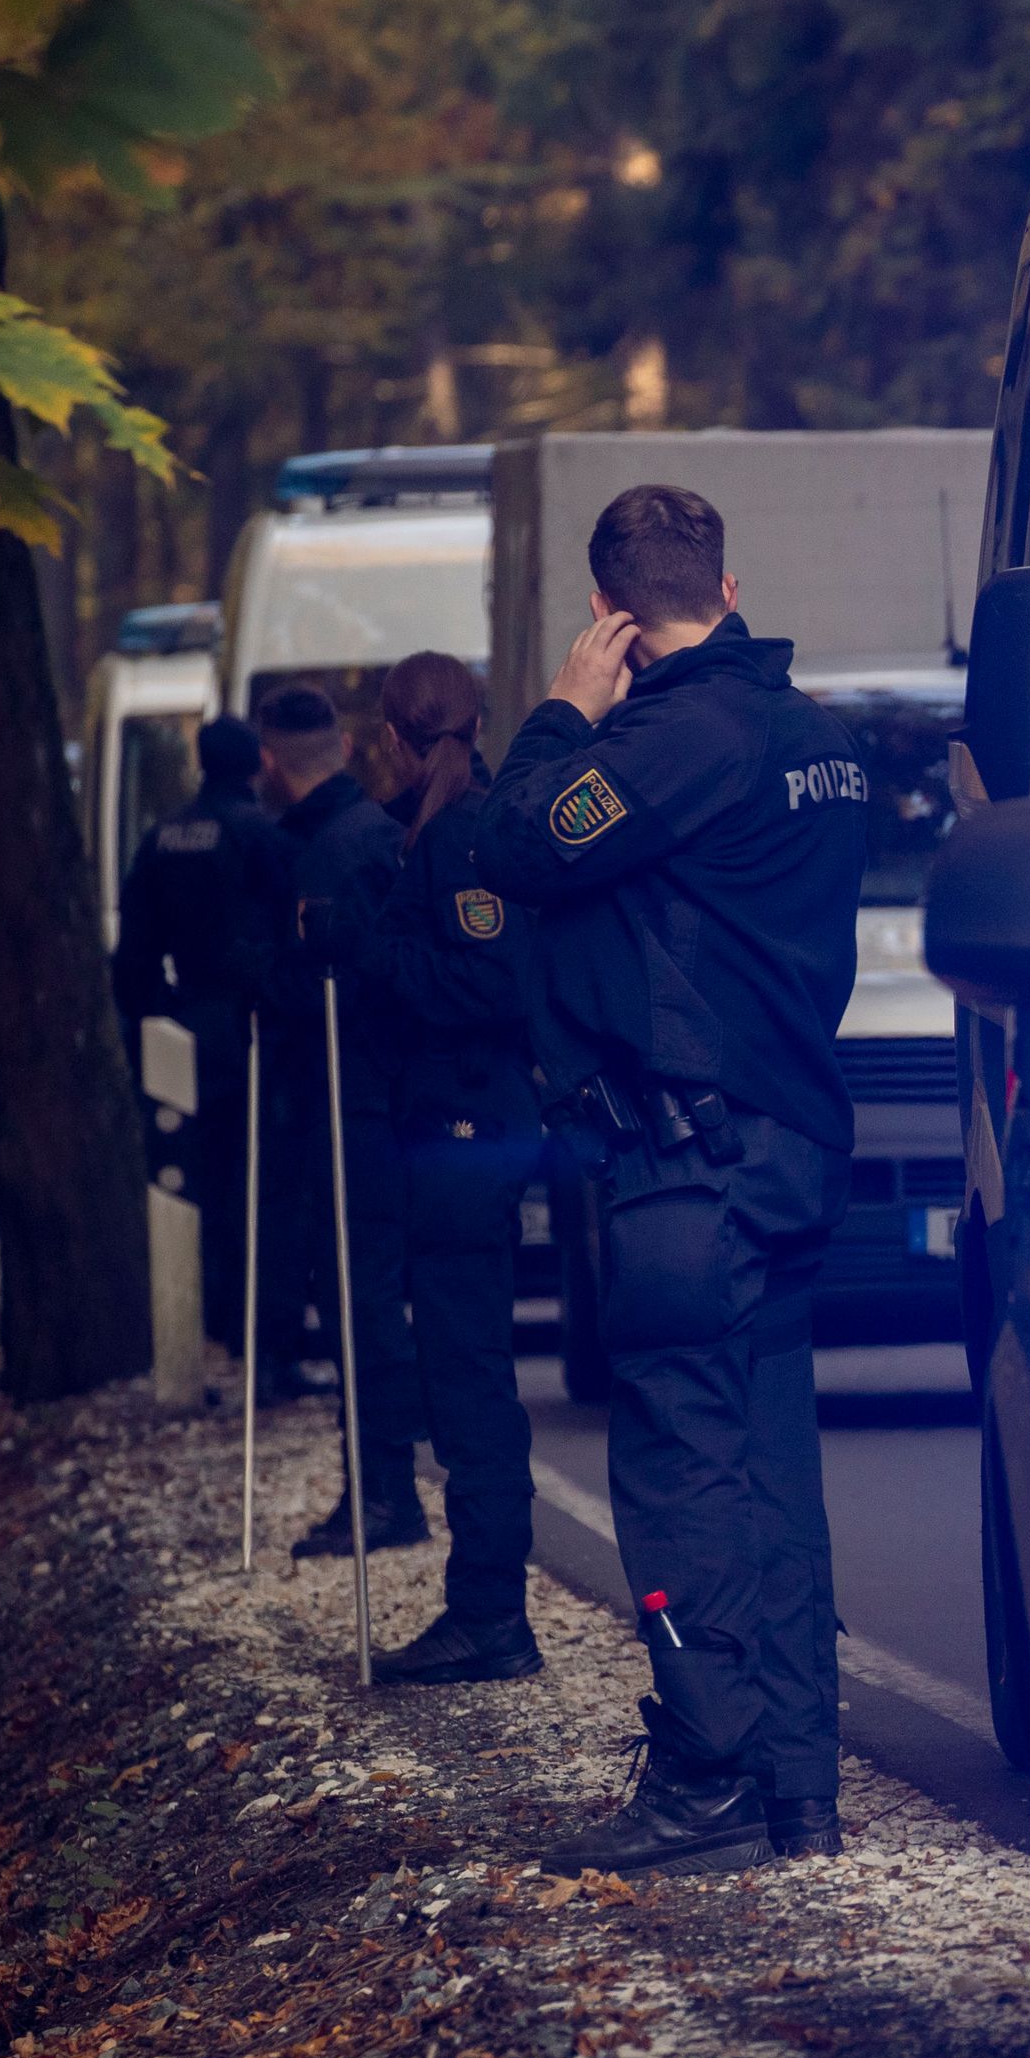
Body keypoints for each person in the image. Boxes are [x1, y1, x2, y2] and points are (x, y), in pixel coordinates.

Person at [474, 484, 870, 1870]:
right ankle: (797, 1785)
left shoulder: (668, 739)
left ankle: (704, 1770)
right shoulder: (814, 737)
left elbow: (515, 841)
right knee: (771, 1472)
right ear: (733, 584)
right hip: (787, 1140)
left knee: (680, 1472)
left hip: (685, 1163)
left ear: (612, 615)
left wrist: (561, 715)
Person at [354, 652, 546, 1685]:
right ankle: (484, 1604)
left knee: (469, 1379)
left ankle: (489, 1612)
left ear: (395, 735)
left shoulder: (466, 837)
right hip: (460, 1124)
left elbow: (488, 982)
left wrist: (370, 954)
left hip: (468, 1125)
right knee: (463, 1372)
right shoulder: (447, 826)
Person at [253, 684, 427, 1551]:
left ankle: (384, 1491)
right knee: (375, 1298)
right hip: (386, 1099)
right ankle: (385, 1485)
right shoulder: (377, 832)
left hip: (349, 1100)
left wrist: (264, 983)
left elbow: (322, 989)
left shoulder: (325, 856)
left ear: (269, 762)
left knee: (358, 1301)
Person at [114, 714, 282, 1353]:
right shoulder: (261, 834)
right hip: (254, 1030)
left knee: (194, 1178)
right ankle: (255, 1331)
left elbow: (132, 955)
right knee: (258, 1180)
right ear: (255, 764)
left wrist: (159, 1016)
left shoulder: (162, 838)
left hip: (185, 1033)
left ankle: (209, 1318)